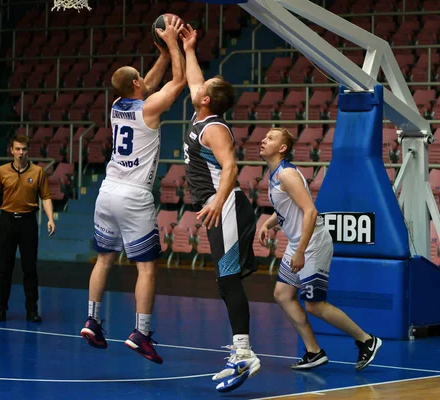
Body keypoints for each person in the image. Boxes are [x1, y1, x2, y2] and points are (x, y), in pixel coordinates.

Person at [79, 16, 186, 364]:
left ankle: (93, 321)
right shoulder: (149, 108)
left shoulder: (117, 106)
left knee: (104, 259)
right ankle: (141, 333)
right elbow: (179, 82)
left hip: (107, 191)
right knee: (146, 269)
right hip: (134, 195)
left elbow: (148, 83)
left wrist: (161, 57)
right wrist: (173, 44)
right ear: (137, 83)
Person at [258, 127, 382, 371]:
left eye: (270, 138)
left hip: (312, 242)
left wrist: (301, 251)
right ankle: (314, 352)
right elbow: (287, 206)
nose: (263, 139)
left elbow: (310, 211)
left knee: (315, 304)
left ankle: (367, 340)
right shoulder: (274, 174)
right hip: (298, 242)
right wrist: (268, 222)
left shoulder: (287, 174)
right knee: (283, 295)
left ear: (282, 148)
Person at [179, 24, 260, 393]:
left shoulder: (215, 129)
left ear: (207, 100)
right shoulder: (201, 113)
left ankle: (244, 353)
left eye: (205, 88)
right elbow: (196, 81)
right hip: (220, 207)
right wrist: (190, 48)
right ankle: (240, 349)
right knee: (225, 281)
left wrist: (218, 202)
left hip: (225, 207)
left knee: (228, 279)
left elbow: (231, 168)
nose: (199, 87)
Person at [0, 134, 56, 323]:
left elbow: (46, 197)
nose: (21, 153)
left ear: (28, 150)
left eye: (24, 149)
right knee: (4, 268)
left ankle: (32, 311)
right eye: (17, 149)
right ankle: (0, 310)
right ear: (11, 150)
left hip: (28, 222)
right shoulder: (1, 171)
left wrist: (50, 218)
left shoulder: (38, 172)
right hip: (7, 221)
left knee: (30, 268)